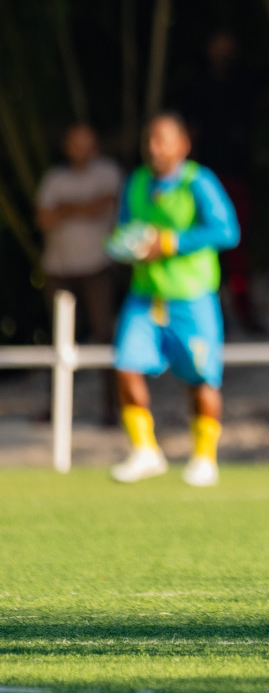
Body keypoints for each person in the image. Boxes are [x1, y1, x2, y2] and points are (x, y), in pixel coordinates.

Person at [108, 113, 240, 486]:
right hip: (145, 295)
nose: (154, 148)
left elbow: (227, 231)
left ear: (183, 145)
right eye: (149, 140)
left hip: (191, 296)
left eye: (162, 140)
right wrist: (128, 245)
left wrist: (170, 243)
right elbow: (123, 228)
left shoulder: (198, 181)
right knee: (125, 365)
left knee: (202, 378)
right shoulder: (136, 182)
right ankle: (145, 450)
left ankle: (204, 456)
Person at [177, 30, 264, 333]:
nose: (223, 52)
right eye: (217, 46)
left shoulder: (247, 82)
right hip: (204, 179)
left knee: (238, 250)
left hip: (239, 176)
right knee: (207, 251)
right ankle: (216, 317)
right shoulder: (195, 88)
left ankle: (245, 310)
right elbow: (191, 132)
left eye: (228, 46)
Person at [35, 124, 122, 422]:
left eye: (86, 143)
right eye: (75, 143)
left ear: (96, 146)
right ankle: (57, 408)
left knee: (103, 336)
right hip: (58, 268)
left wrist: (65, 208)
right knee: (59, 340)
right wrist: (82, 208)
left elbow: (104, 206)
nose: (80, 149)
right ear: (66, 147)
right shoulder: (54, 177)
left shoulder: (108, 172)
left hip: (97, 267)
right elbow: (44, 218)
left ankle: (111, 408)